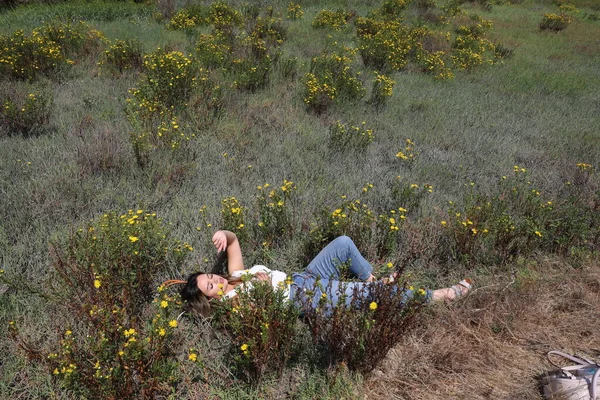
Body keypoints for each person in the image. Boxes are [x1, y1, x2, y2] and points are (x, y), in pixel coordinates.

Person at [178, 230, 472, 317]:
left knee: (343, 243)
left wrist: (221, 234)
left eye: (210, 276)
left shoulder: (235, 275)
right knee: (370, 297)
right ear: (210, 300)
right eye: (210, 285)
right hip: (304, 297)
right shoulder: (233, 307)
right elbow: (264, 317)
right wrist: (265, 291)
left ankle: (373, 279)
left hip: (303, 277)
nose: (216, 280)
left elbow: (233, 240)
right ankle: (439, 296)